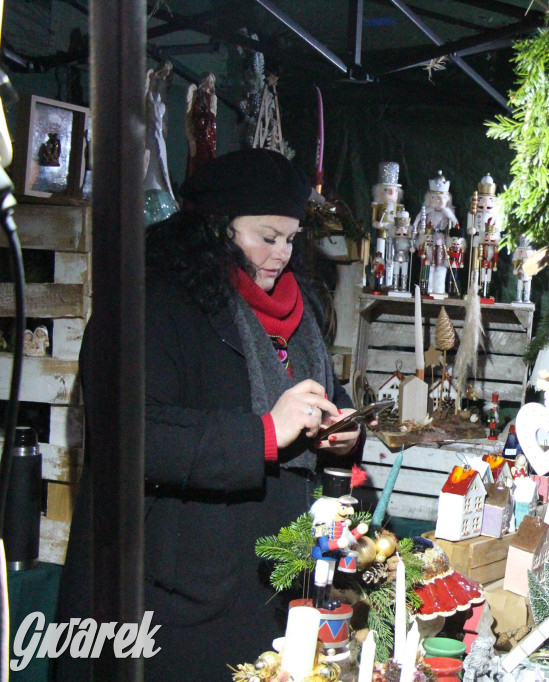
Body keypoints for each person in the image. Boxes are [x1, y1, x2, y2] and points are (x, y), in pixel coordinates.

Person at [57, 148, 364, 679]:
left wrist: (338, 430)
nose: (281, 254)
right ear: (217, 229)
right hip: (177, 600)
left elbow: (321, 399)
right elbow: (127, 436)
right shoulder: (147, 304)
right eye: (266, 237)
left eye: (291, 239)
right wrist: (265, 433)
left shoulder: (304, 309)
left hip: (276, 581)